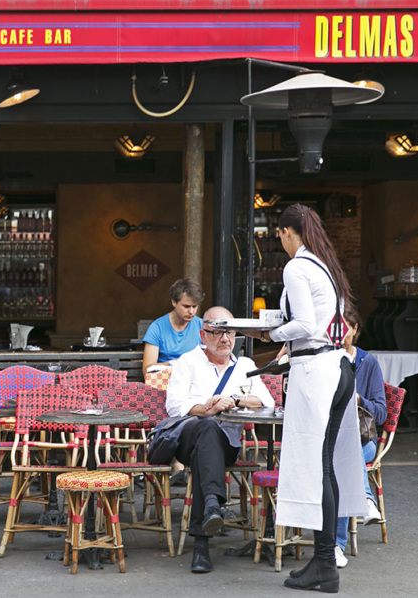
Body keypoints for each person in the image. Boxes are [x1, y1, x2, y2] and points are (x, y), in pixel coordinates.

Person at [242, 203, 364, 593]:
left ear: (286, 232)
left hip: (316, 372)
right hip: (338, 367)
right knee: (325, 465)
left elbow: (305, 325)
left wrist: (266, 335)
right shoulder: (325, 266)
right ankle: (323, 560)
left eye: (278, 233)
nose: (278, 239)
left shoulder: (296, 267)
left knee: (317, 467)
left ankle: (325, 563)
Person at [166, 306, 275, 574]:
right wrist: (209, 408)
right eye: (217, 332)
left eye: (229, 332)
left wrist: (235, 400)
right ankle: (212, 509)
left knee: (212, 439)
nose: (225, 338)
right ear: (203, 335)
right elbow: (174, 405)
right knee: (207, 429)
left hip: (227, 445)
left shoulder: (245, 366)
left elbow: (267, 402)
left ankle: (205, 534)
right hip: (188, 441)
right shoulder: (187, 361)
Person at [334, 311, 386, 569]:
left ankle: (335, 545)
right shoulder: (326, 360)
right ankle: (366, 499)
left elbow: (381, 412)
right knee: (344, 459)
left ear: (355, 329)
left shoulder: (368, 362)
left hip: (364, 439)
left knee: (346, 457)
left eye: (342, 328)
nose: (336, 334)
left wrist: (358, 400)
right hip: (334, 440)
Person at [142, 278, 205, 374]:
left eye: (195, 306)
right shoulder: (157, 328)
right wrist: (176, 363)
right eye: (186, 306)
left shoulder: (202, 326)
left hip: (194, 382)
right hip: (166, 382)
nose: (191, 311)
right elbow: (147, 370)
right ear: (174, 302)